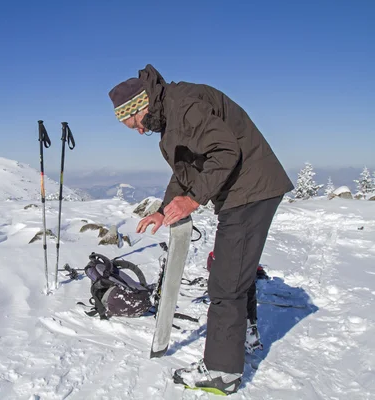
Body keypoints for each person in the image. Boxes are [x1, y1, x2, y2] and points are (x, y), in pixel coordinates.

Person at [108, 64, 293, 395]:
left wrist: (192, 202)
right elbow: (184, 172)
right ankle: (246, 333)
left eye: (134, 123)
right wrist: (165, 211)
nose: (137, 131)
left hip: (250, 190)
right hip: (247, 190)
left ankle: (222, 371)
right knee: (235, 270)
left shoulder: (185, 106)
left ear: (141, 106)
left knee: (225, 282)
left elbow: (226, 151)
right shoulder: (171, 119)